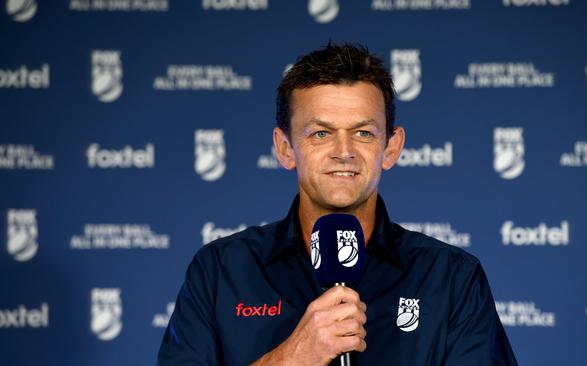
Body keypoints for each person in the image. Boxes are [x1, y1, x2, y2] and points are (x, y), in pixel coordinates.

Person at [157, 43, 518, 365]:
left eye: (363, 133)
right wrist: (293, 358)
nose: (343, 152)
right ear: (285, 148)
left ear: (391, 148)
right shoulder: (220, 271)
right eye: (321, 133)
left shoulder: (451, 277)